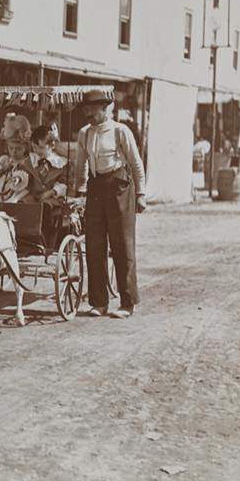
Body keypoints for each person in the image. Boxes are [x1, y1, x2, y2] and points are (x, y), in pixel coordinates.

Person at [76, 89, 147, 319]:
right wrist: (80, 190)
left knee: (122, 244)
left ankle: (127, 303)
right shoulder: (84, 134)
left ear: (105, 108)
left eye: (92, 108)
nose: (88, 112)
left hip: (119, 186)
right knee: (94, 245)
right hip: (95, 189)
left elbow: (136, 164)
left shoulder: (120, 131)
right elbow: (81, 166)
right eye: (86, 108)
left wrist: (141, 194)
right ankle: (99, 302)